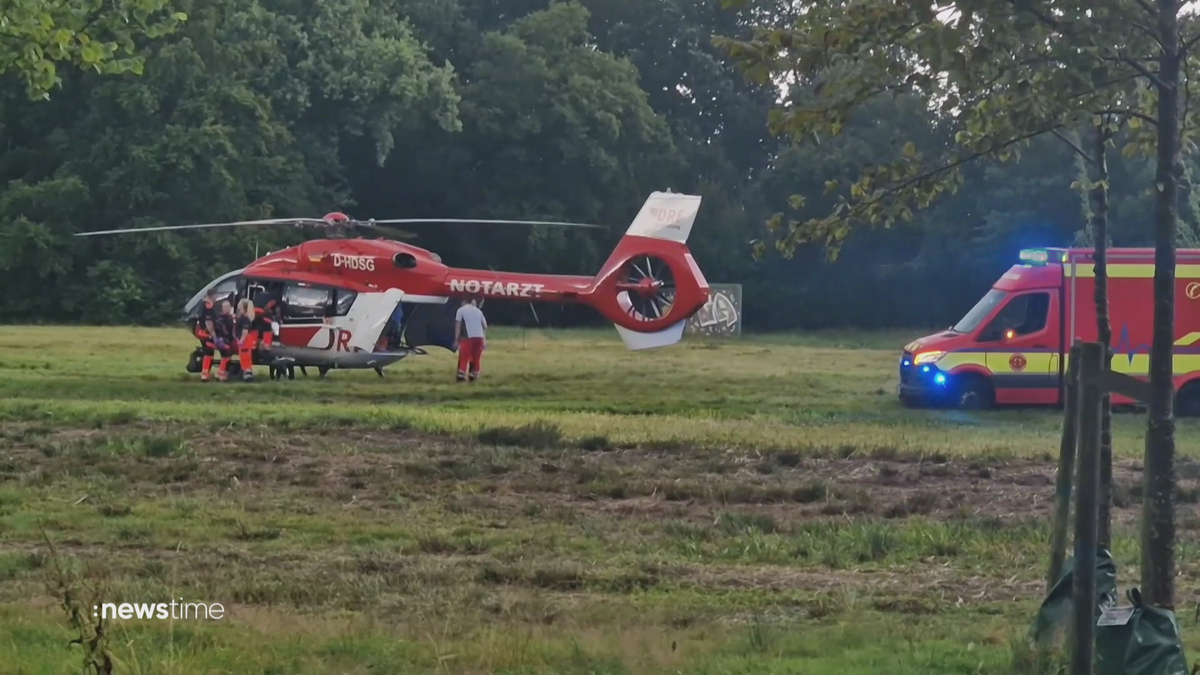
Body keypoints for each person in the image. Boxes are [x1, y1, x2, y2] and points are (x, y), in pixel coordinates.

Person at [454, 296, 487, 382]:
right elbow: (484, 326)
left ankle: (461, 375)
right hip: (479, 337)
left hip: (468, 337)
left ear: (463, 302)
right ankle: (474, 375)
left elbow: (458, 325)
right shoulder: (478, 311)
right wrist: (484, 339)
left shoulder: (461, 310)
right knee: (476, 358)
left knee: (464, 356)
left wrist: (457, 338)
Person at [194, 288, 219, 382]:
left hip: (202, 332)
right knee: (209, 353)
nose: (217, 298)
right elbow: (209, 321)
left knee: (207, 352)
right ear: (212, 295)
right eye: (216, 295)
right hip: (207, 333)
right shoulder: (208, 306)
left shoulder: (201, 304)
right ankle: (204, 375)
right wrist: (213, 334)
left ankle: (205, 374)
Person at [212, 300, 238, 382]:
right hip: (222, 339)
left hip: (228, 339)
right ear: (223, 308)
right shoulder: (220, 318)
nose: (227, 308)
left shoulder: (230, 317)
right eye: (226, 307)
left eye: (229, 307)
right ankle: (221, 373)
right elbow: (223, 329)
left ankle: (222, 373)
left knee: (227, 356)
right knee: (226, 355)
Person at [234, 298, 256, 381]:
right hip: (244, 341)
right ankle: (246, 373)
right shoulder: (242, 318)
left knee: (246, 359)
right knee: (244, 359)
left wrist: (241, 340)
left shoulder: (245, 319)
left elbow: (245, 331)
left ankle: (248, 375)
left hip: (245, 341)